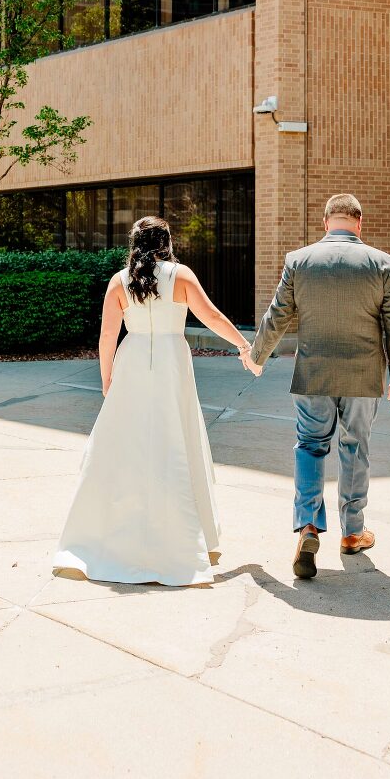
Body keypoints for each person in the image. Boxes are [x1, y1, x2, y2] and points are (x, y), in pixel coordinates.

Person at [54, 216, 254, 587]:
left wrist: (107, 381)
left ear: (135, 243)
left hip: (130, 363)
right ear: (166, 242)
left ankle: (108, 537)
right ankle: (183, 541)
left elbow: (106, 337)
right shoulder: (181, 275)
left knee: (125, 447)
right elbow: (209, 316)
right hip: (171, 365)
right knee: (174, 441)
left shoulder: (119, 281)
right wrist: (243, 345)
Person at [243, 194, 390, 579]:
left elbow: (277, 315)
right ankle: (352, 533)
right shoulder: (383, 264)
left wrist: (257, 356)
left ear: (325, 223)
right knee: (355, 448)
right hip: (362, 377)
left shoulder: (299, 261)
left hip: (313, 375)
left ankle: (307, 526)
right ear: (359, 222)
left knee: (310, 445)